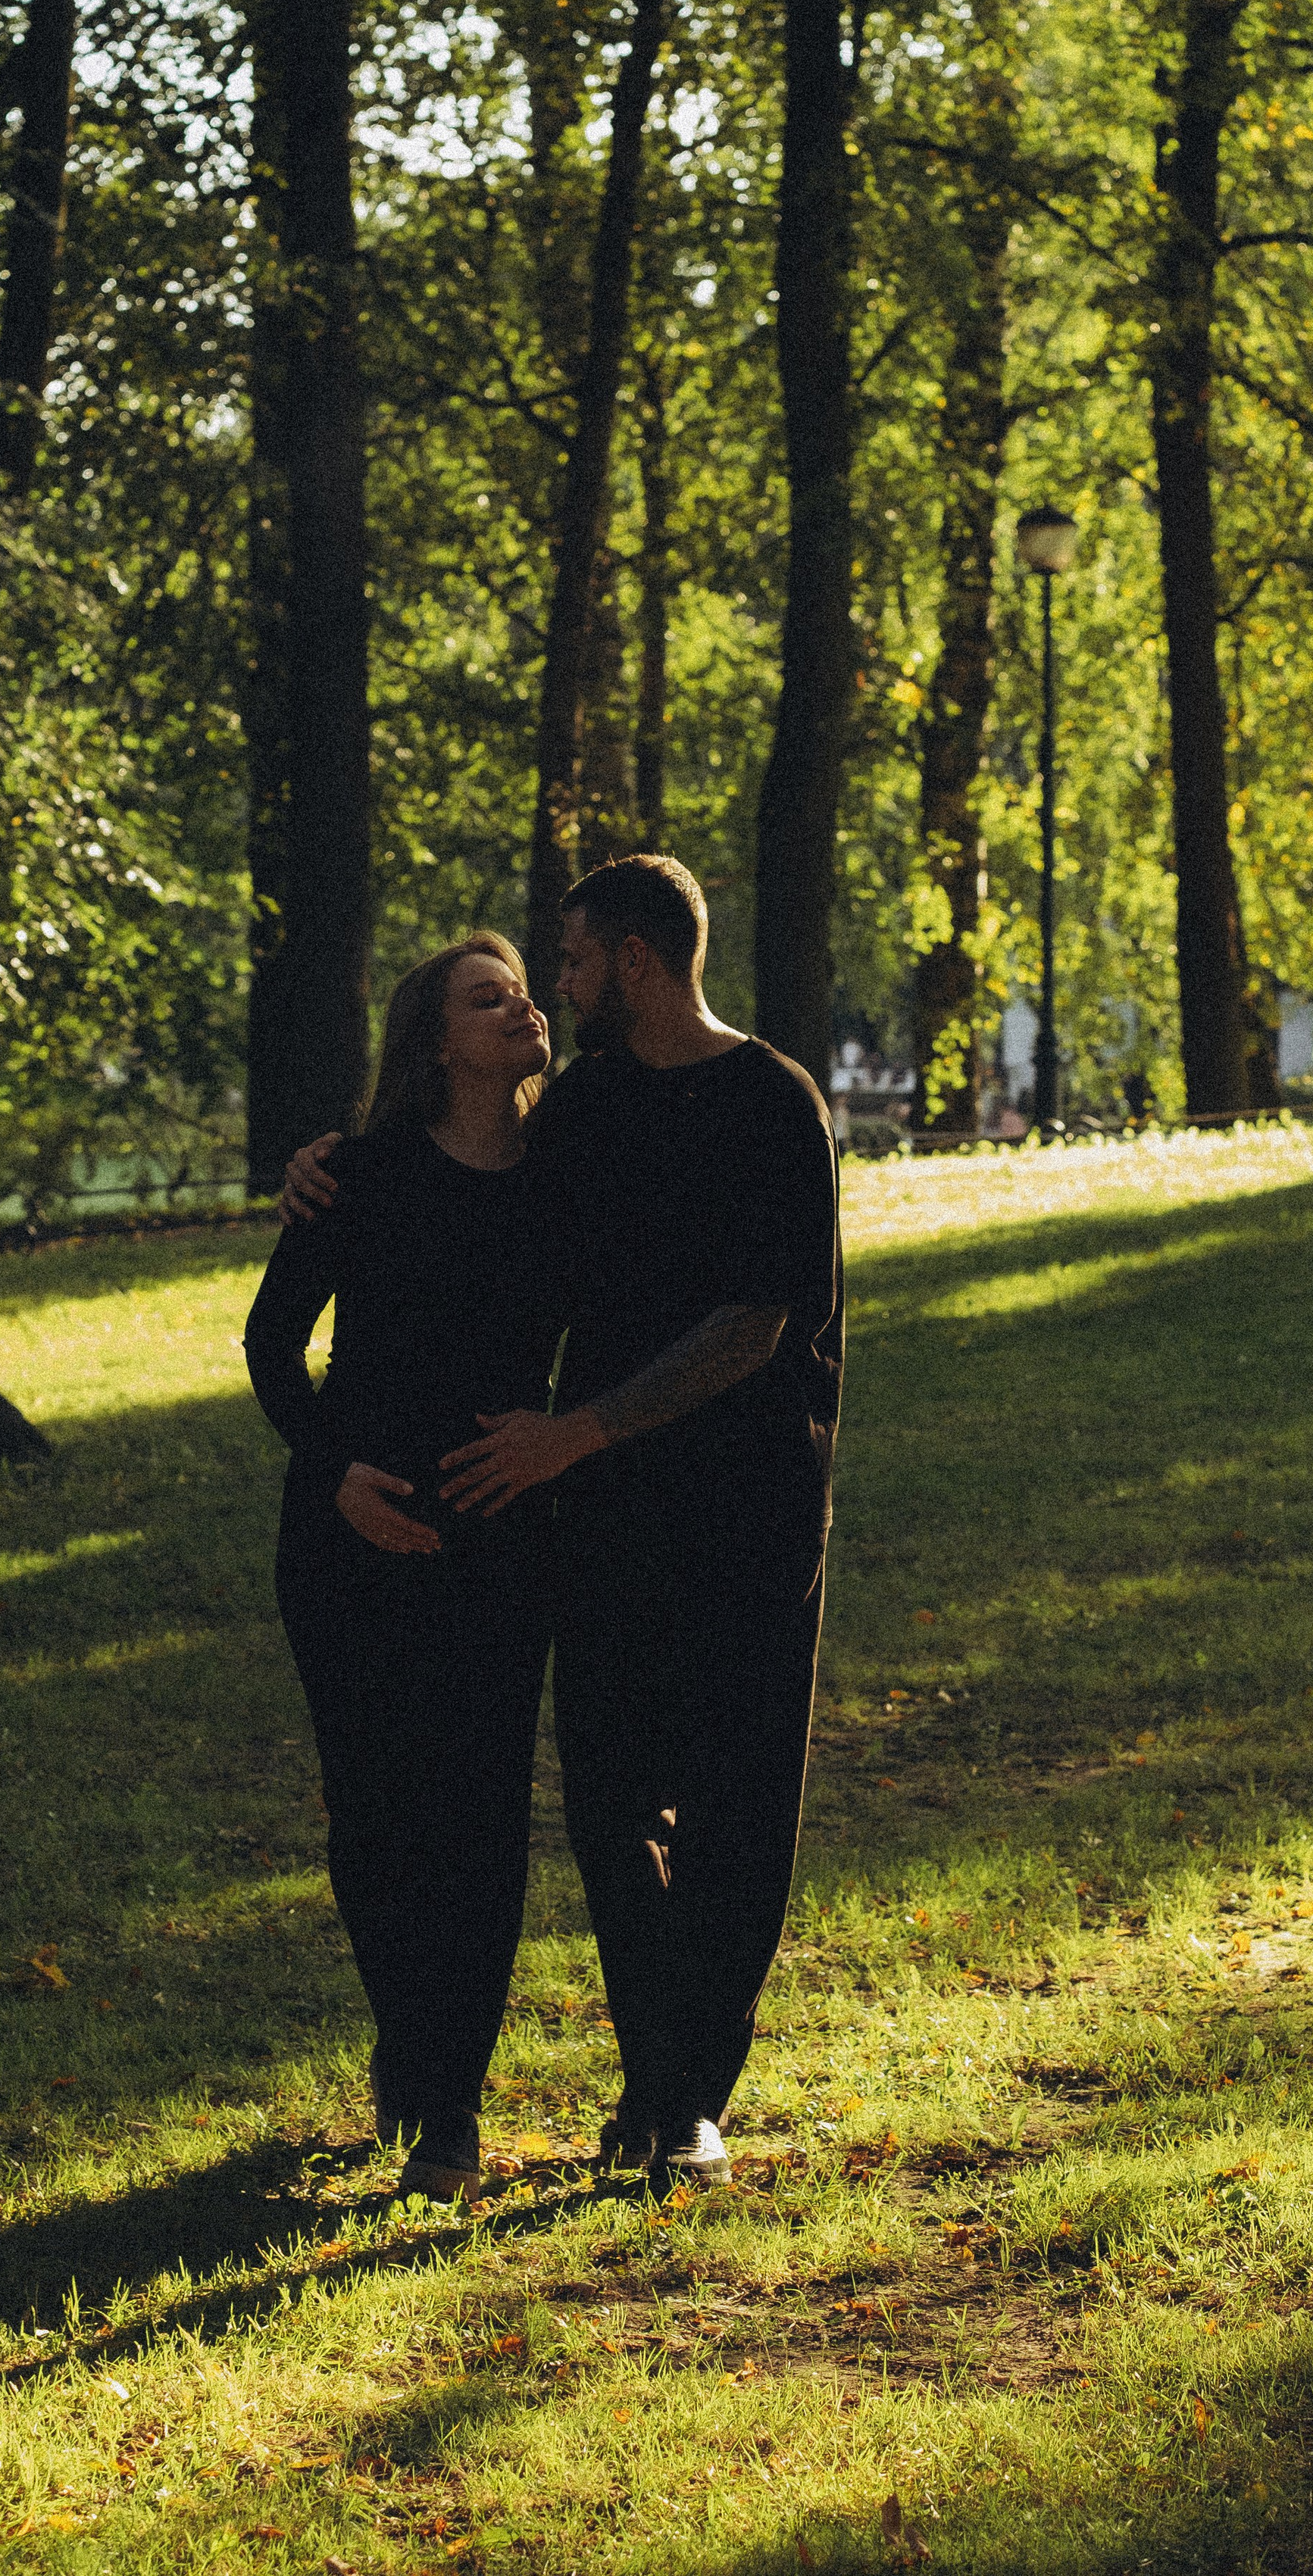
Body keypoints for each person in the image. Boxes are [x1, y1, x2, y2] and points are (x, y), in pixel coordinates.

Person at [283, 855, 843, 2193]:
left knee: (733, 1810)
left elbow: (756, 1323)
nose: (564, 988)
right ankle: (655, 2087)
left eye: (577, 963)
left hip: (750, 1517)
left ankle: (688, 2102)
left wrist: (576, 1431)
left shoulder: (776, 1104)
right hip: (598, 1525)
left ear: (638, 961)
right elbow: (461, 1180)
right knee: (607, 1810)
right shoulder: (585, 1107)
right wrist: (331, 1171)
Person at [242, 933, 561, 2206]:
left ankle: (453, 2105)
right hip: (348, 1534)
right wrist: (336, 1473)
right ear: (436, 1041)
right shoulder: (359, 1177)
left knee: (480, 1815)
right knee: (376, 1814)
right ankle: (407, 2039)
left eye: (528, 988)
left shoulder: (568, 1171)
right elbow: (274, 1343)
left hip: (500, 1531)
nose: (523, 1006)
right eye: (491, 999)